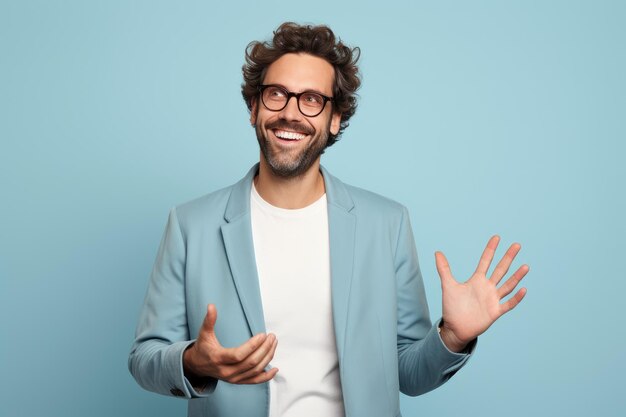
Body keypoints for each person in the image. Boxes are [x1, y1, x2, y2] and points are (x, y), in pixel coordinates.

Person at [128, 22, 529, 417]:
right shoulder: (190, 224)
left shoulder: (386, 224)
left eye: (312, 100)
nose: (290, 113)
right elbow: (145, 358)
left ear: (334, 118)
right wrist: (195, 363)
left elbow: (407, 373)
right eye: (276, 94)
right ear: (253, 107)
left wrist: (453, 337)